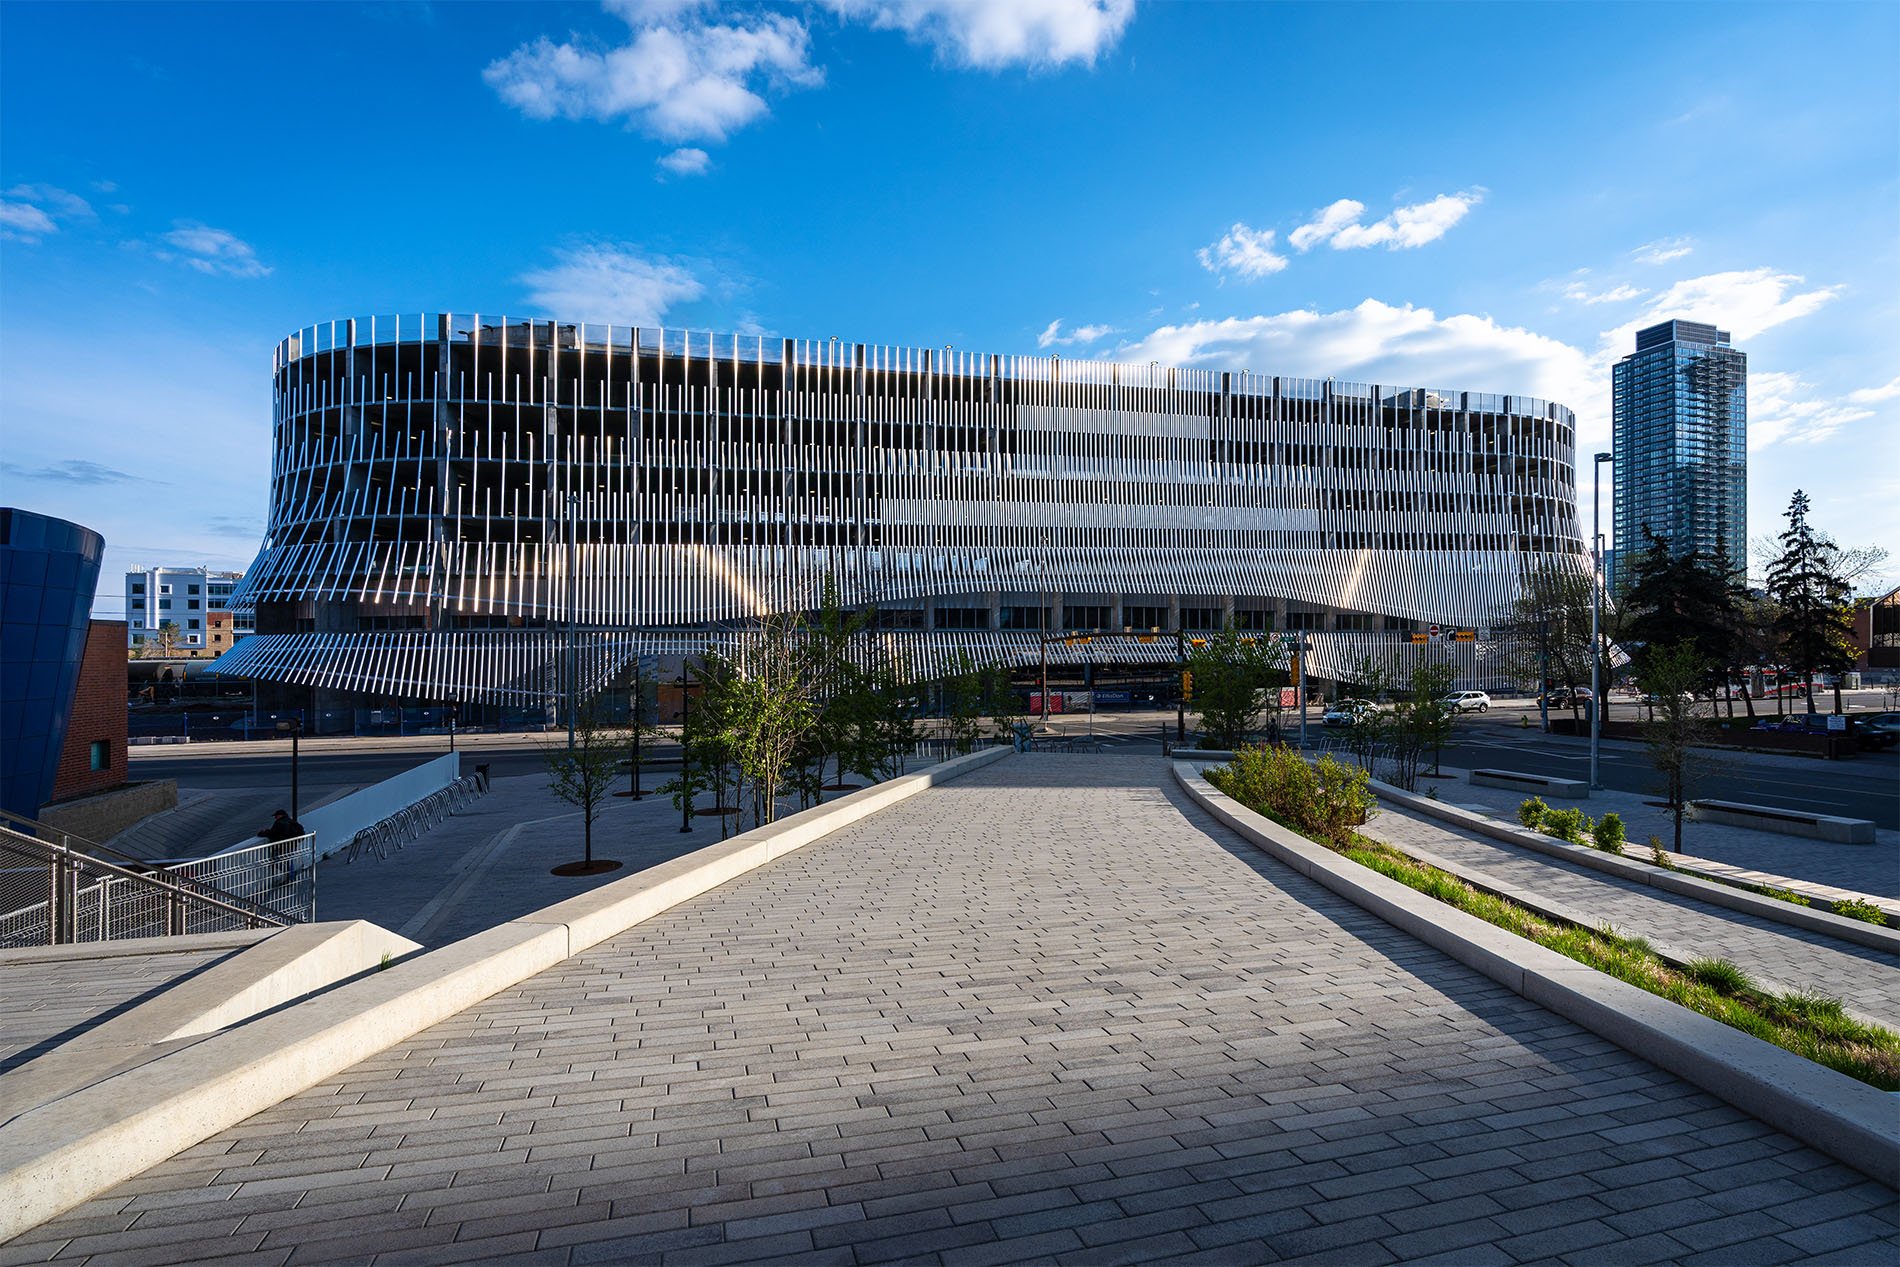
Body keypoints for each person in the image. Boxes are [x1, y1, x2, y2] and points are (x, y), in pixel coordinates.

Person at [257, 809, 306, 889]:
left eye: (276, 816)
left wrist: (262, 833)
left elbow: (273, 833)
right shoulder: (291, 821)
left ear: (280, 815)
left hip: (283, 845)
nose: (275, 817)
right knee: (288, 860)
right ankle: (291, 877)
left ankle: (288, 875)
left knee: (275, 859)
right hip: (292, 844)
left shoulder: (279, 823)